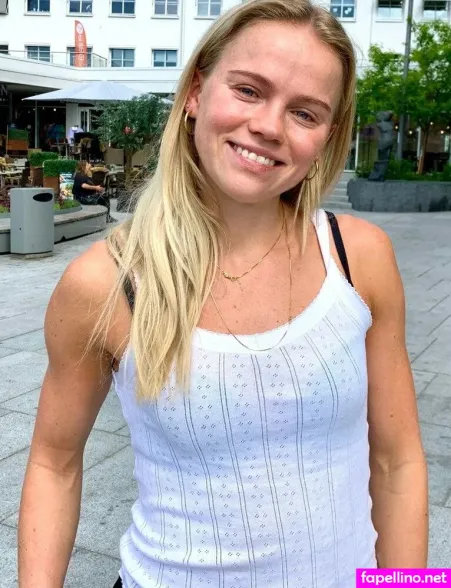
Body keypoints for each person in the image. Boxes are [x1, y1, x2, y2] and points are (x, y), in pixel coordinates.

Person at [18, 0, 428, 586]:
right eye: (249, 90)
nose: (269, 126)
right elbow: (54, 463)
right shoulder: (106, 283)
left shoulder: (359, 258)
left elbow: (397, 462)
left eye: (305, 113)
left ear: (327, 138)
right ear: (195, 92)